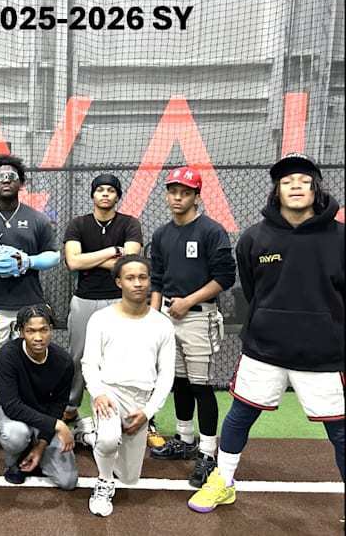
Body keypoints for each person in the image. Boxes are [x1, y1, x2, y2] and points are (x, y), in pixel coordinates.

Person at [188, 153, 344, 514]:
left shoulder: (339, 238)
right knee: (240, 416)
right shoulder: (253, 239)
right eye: (287, 182)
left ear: (316, 189)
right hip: (263, 351)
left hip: (323, 356)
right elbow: (254, 292)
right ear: (276, 191)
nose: (295, 186)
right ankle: (223, 483)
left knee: (341, 433)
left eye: (304, 181)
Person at [148, 166, 236, 488]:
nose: (177, 197)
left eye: (185, 192)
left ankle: (208, 451)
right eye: (173, 191)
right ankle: (185, 440)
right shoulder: (161, 234)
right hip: (168, 315)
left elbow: (225, 277)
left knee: (201, 386)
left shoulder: (212, 231)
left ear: (197, 196)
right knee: (179, 382)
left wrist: (188, 300)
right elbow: (156, 278)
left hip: (199, 315)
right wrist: (154, 317)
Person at [81, 255, 175, 517]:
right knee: (110, 442)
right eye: (130, 278)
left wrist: (148, 412)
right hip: (109, 393)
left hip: (141, 400)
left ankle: (89, 436)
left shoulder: (162, 324)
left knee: (130, 478)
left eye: (142, 277)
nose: (137, 283)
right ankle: (103, 482)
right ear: (118, 282)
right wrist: (98, 393)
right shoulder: (101, 319)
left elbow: (166, 375)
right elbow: (89, 363)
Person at [62, 173, 143, 433]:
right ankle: (71, 405)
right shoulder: (78, 224)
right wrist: (112, 252)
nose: (105, 194)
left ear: (118, 196)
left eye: (110, 190)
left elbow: (130, 265)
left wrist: (90, 259)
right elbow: (73, 262)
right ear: (93, 195)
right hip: (84, 300)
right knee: (77, 357)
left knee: (121, 357)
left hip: (120, 301)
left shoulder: (130, 224)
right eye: (100, 190)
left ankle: (126, 408)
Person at [0, 155, 60, 351]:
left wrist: (27, 261)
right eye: (0, 177)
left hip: (28, 303)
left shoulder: (38, 219)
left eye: (12, 176)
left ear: (21, 183)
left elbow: (54, 256)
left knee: (26, 358)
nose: (6, 180)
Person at [0, 304, 76, 489]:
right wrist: (57, 425)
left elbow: (58, 405)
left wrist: (42, 445)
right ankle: (15, 461)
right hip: (13, 415)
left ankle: (35, 452)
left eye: (43, 330)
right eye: (30, 331)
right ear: (21, 332)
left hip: (45, 417)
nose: (38, 337)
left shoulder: (63, 362)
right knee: (16, 435)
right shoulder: (8, 355)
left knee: (68, 481)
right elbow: (11, 405)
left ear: (51, 330)